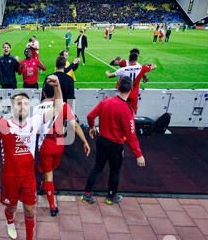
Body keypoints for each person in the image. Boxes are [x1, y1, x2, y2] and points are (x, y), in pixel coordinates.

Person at [0, 74, 64, 240]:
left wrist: (58, 86)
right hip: (10, 177)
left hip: (28, 177)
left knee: (30, 209)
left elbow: (58, 107)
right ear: (12, 107)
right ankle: (10, 221)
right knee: (11, 207)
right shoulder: (4, 125)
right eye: (18, 103)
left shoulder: (34, 122)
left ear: (30, 107)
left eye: (25, 103)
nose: (22, 106)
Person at [81, 77, 146, 205]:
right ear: (131, 90)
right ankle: (111, 197)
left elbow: (90, 116)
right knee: (115, 171)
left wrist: (92, 128)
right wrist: (138, 155)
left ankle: (86, 194)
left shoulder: (106, 101)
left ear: (118, 86)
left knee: (97, 168)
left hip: (101, 141)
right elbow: (131, 135)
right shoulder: (127, 110)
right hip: (115, 145)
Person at [34, 83, 90, 216]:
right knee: (50, 170)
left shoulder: (37, 108)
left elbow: (35, 128)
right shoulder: (64, 106)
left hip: (45, 145)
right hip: (59, 144)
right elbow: (75, 125)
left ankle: (52, 206)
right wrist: (85, 141)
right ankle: (43, 186)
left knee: (49, 175)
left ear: (43, 94)